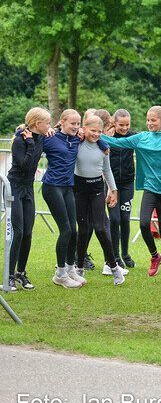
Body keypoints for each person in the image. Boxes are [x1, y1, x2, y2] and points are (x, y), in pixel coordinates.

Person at [101, 106, 161, 283]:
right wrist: (93, 134)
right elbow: (117, 143)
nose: (149, 123)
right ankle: (155, 256)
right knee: (144, 223)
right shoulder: (141, 138)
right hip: (150, 188)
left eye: (153, 120)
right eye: (148, 120)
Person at [43, 109, 109, 288]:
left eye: (78, 124)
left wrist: (102, 143)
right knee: (66, 231)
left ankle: (71, 269)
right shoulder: (50, 137)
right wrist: (22, 130)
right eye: (72, 123)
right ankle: (60, 274)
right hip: (52, 187)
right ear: (62, 122)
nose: (75, 127)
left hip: (68, 188)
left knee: (74, 230)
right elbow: (30, 134)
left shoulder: (76, 139)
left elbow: (94, 137)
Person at [74, 115, 125, 285]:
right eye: (92, 131)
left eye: (99, 131)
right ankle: (79, 268)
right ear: (84, 128)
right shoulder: (77, 143)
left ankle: (114, 267)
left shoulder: (103, 148)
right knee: (83, 229)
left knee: (100, 228)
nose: (96, 134)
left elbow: (107, 170)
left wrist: (114, 190)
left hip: (97, 188)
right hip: (79, 189)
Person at [6, 108, 51, 291]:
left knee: (28, 232)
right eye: (46, 123)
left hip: (28, 188)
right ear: (36, 123)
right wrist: (31, 144)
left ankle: (21, 273)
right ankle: (8, 274)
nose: (48, 125)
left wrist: (53, 129)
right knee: (18, 231)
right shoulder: (20, 140)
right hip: (15, 186)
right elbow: (24, 166)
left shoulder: (41, 137)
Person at [107, 109, 137, 270]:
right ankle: (115, 255)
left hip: (127, 183)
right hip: (111, 185)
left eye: (127, 125)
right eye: (121, 125)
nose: (124, 128)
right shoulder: (107, 136)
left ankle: (125, 254)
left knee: (125, 219)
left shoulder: (133, 136)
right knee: (115, 219)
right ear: (114, 122)